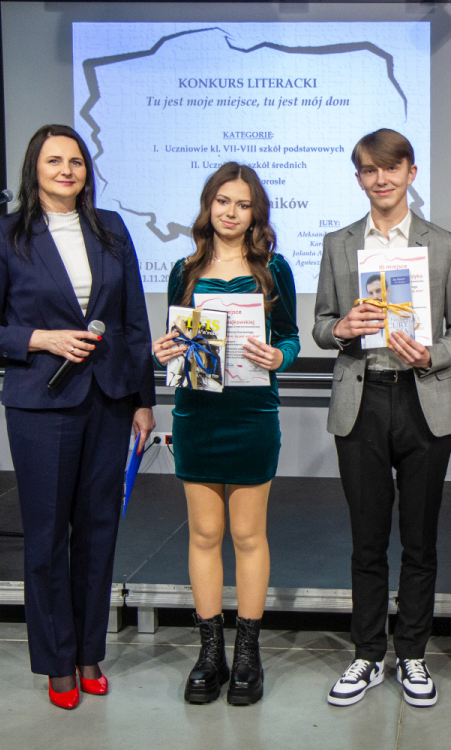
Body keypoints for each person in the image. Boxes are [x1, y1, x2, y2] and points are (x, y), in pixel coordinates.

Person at [0, 124, 156, 709]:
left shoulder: (111, 228)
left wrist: (144, 399)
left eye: (76, 161)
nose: (66, 170)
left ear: (86, 171)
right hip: (41, 405)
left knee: (99, 533)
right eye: (54, 161)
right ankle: (56, 663)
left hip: (109, 400)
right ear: (35, 169)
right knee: (47, 538)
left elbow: (133, 323)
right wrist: (40, 338)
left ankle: (89, 652)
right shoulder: (5, 235)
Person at [313, 128, 451, 707]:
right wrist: (340, 329)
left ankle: (412, 654)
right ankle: (366, 654)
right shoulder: (338, 243)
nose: (380, 179)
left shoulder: (444, 243)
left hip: (421, 398)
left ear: (410, 172)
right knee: (367, 539)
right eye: (368, 169)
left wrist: (433, 354)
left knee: (420, 540)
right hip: (361, 398)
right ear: (359, 177)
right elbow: (320, 324)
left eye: (390, 168)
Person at [152, 162, 300, 706]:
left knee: (248, 536)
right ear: (208, 205)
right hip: (197, 415)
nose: (231, 212)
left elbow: (291, 338)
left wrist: (279, 356)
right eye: (222, 201)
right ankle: (209, 653)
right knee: (203, 536)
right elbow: (174, 339)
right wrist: (164, 350)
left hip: (252, 415)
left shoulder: (274, 268)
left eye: (242, 204)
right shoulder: (184, 269)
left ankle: (247, 656)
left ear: (255, 212)